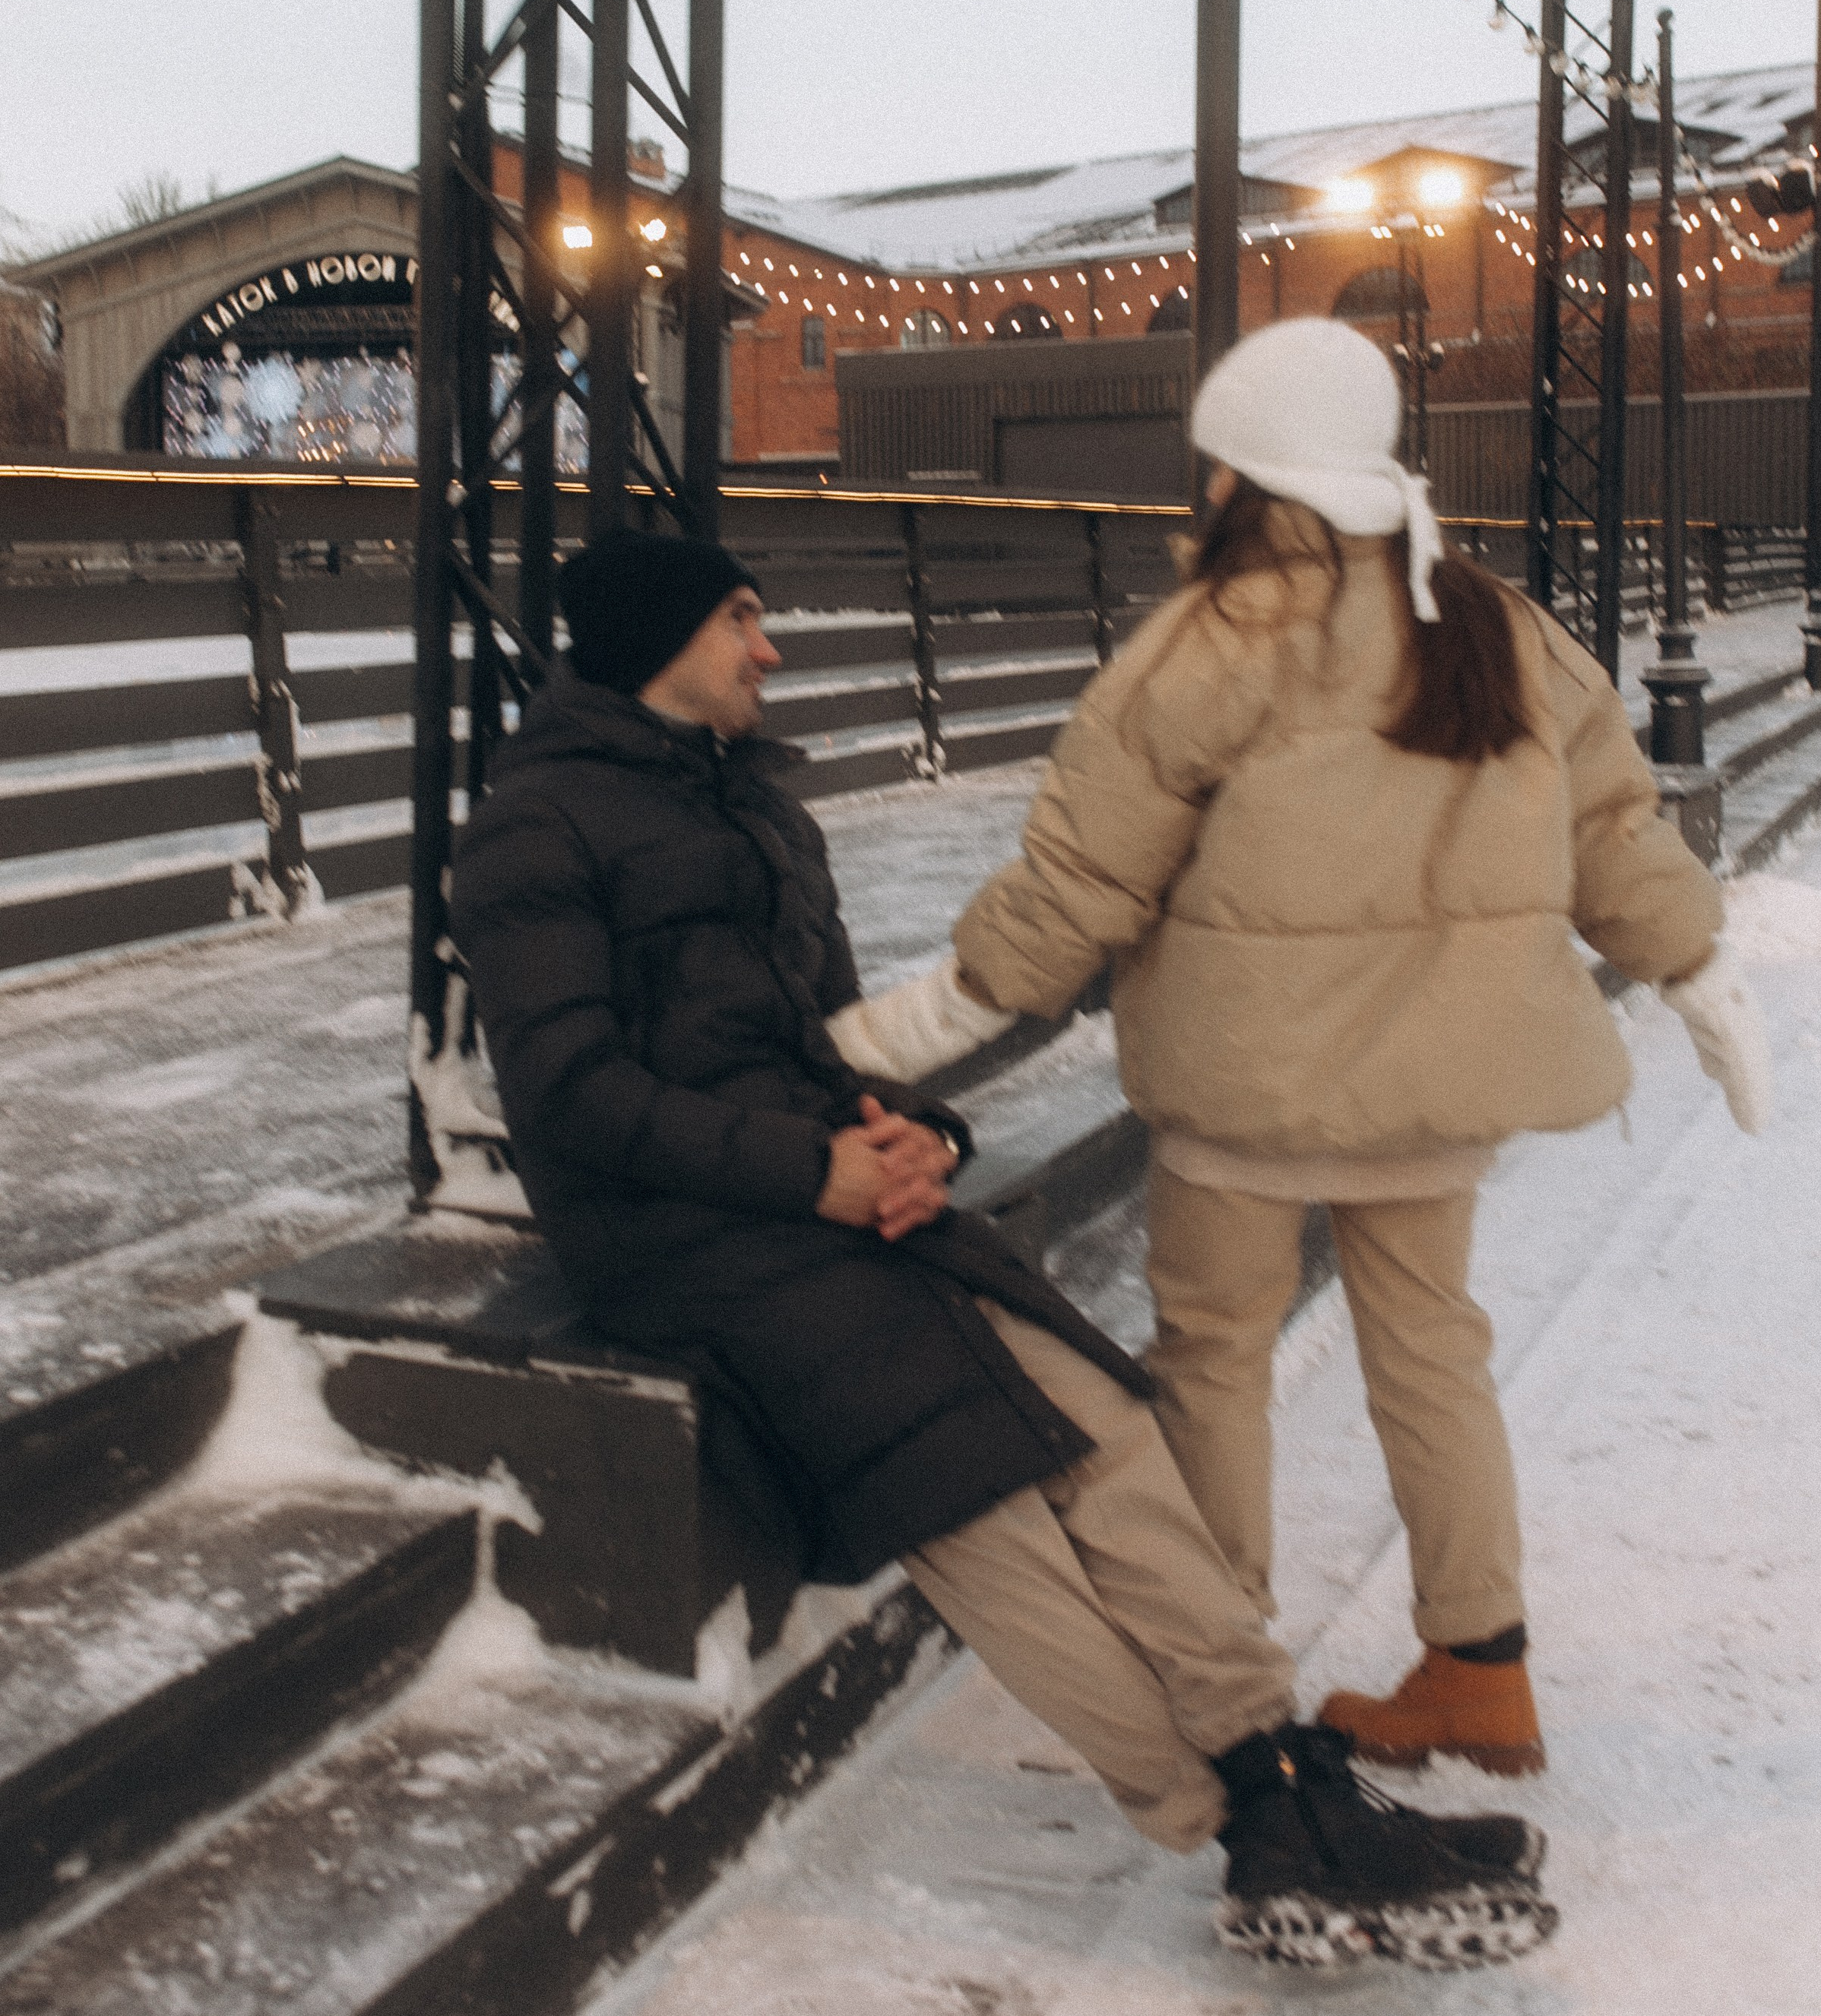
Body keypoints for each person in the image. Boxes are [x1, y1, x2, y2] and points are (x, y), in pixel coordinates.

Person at [448, 523, 1557, 1972]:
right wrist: (817, 1171)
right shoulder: (533, 828)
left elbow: (824, 1041)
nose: (767, 647)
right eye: (740, 621)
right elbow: (570, 1104)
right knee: (979, 1493)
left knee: (1105, 1426)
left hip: (826, 1190)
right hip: (674, 1233)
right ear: (661, 642)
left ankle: (1283, 1765)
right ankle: (1235, 1820)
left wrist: (913, 1136)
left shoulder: (761, 812)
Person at [860, 318, 1769, 1783]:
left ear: (1241, 469)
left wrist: (910, 1026)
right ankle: (1479, 1677)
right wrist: (1696, 970)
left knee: (1212, 1359)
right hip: (1437, 1089)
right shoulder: (1495, 622)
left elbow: (1082, 882)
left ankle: (1225, 1676)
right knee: (1434, 1359)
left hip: (1247, 1092)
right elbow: (1613, 828)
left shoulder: (1211, 642)